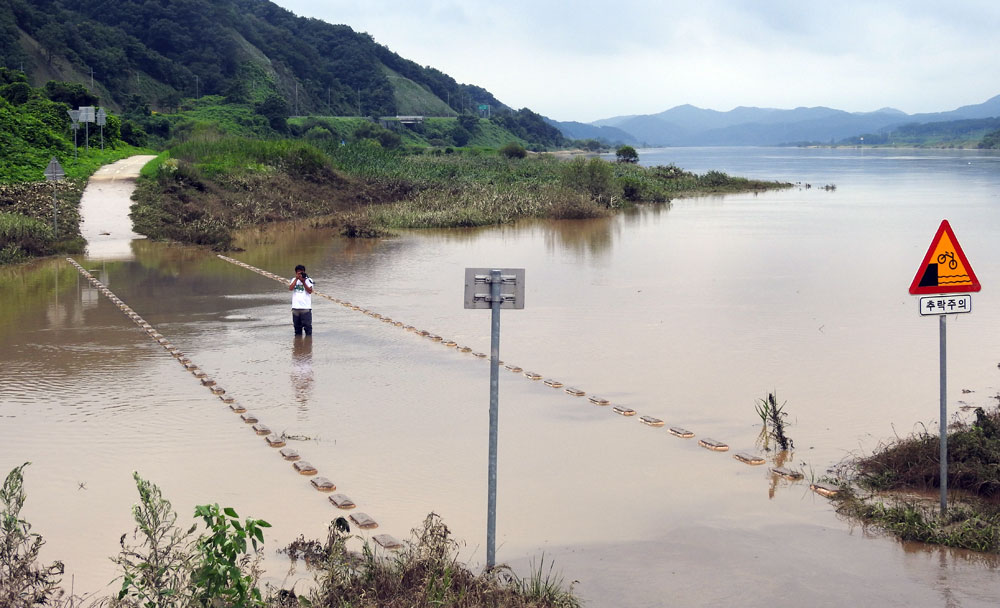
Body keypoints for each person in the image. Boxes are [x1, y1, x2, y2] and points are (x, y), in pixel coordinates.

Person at [288, 264, 314, 336]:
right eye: (298, 273)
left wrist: (303, 282)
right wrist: (296, 279)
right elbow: (290, 288)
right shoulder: (293, 280)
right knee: (297, 329)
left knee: (308, 328)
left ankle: (308, 344)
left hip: (305, 308)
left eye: (301, 273)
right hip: (295, 308)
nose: (300, 274)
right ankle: (298, 345)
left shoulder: (309, 280)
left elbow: (309, 291)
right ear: (296, 273)